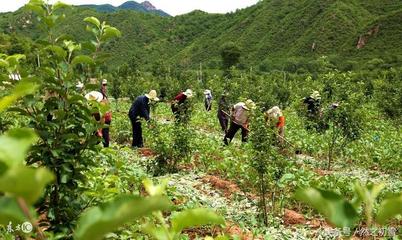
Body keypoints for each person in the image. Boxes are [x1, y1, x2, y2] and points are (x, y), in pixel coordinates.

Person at [100, 79, 111, 147]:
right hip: (102, 118)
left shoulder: (105, 95)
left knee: (105, 134)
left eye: (106, 85)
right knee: (100, 133)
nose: (105, 87)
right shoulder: (99, 95)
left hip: (107, 118)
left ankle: (106, 148)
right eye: (104, 85)